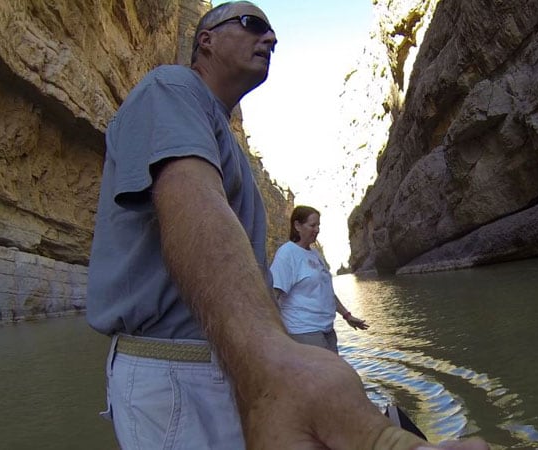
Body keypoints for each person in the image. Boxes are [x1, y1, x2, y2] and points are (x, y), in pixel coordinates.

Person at [86, 1, 489, 449]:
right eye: (253, 25)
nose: (271, 39)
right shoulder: (171, 87)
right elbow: (193, 204)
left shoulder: (218, 132)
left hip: (229, 367)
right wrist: (275, 366)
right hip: (183, 372)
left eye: (273, 33)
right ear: (206, 39)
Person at [271, 206, 369, 353]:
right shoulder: (287, 254)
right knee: (327, 375)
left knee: (334, 374)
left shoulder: (315, 254)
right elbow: (273, 294)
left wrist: (347, 316)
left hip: (327, 329)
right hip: (303, 331)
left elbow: (327, 291)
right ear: (297, 226)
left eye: (318, 225)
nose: (317, 230)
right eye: (312, 225)